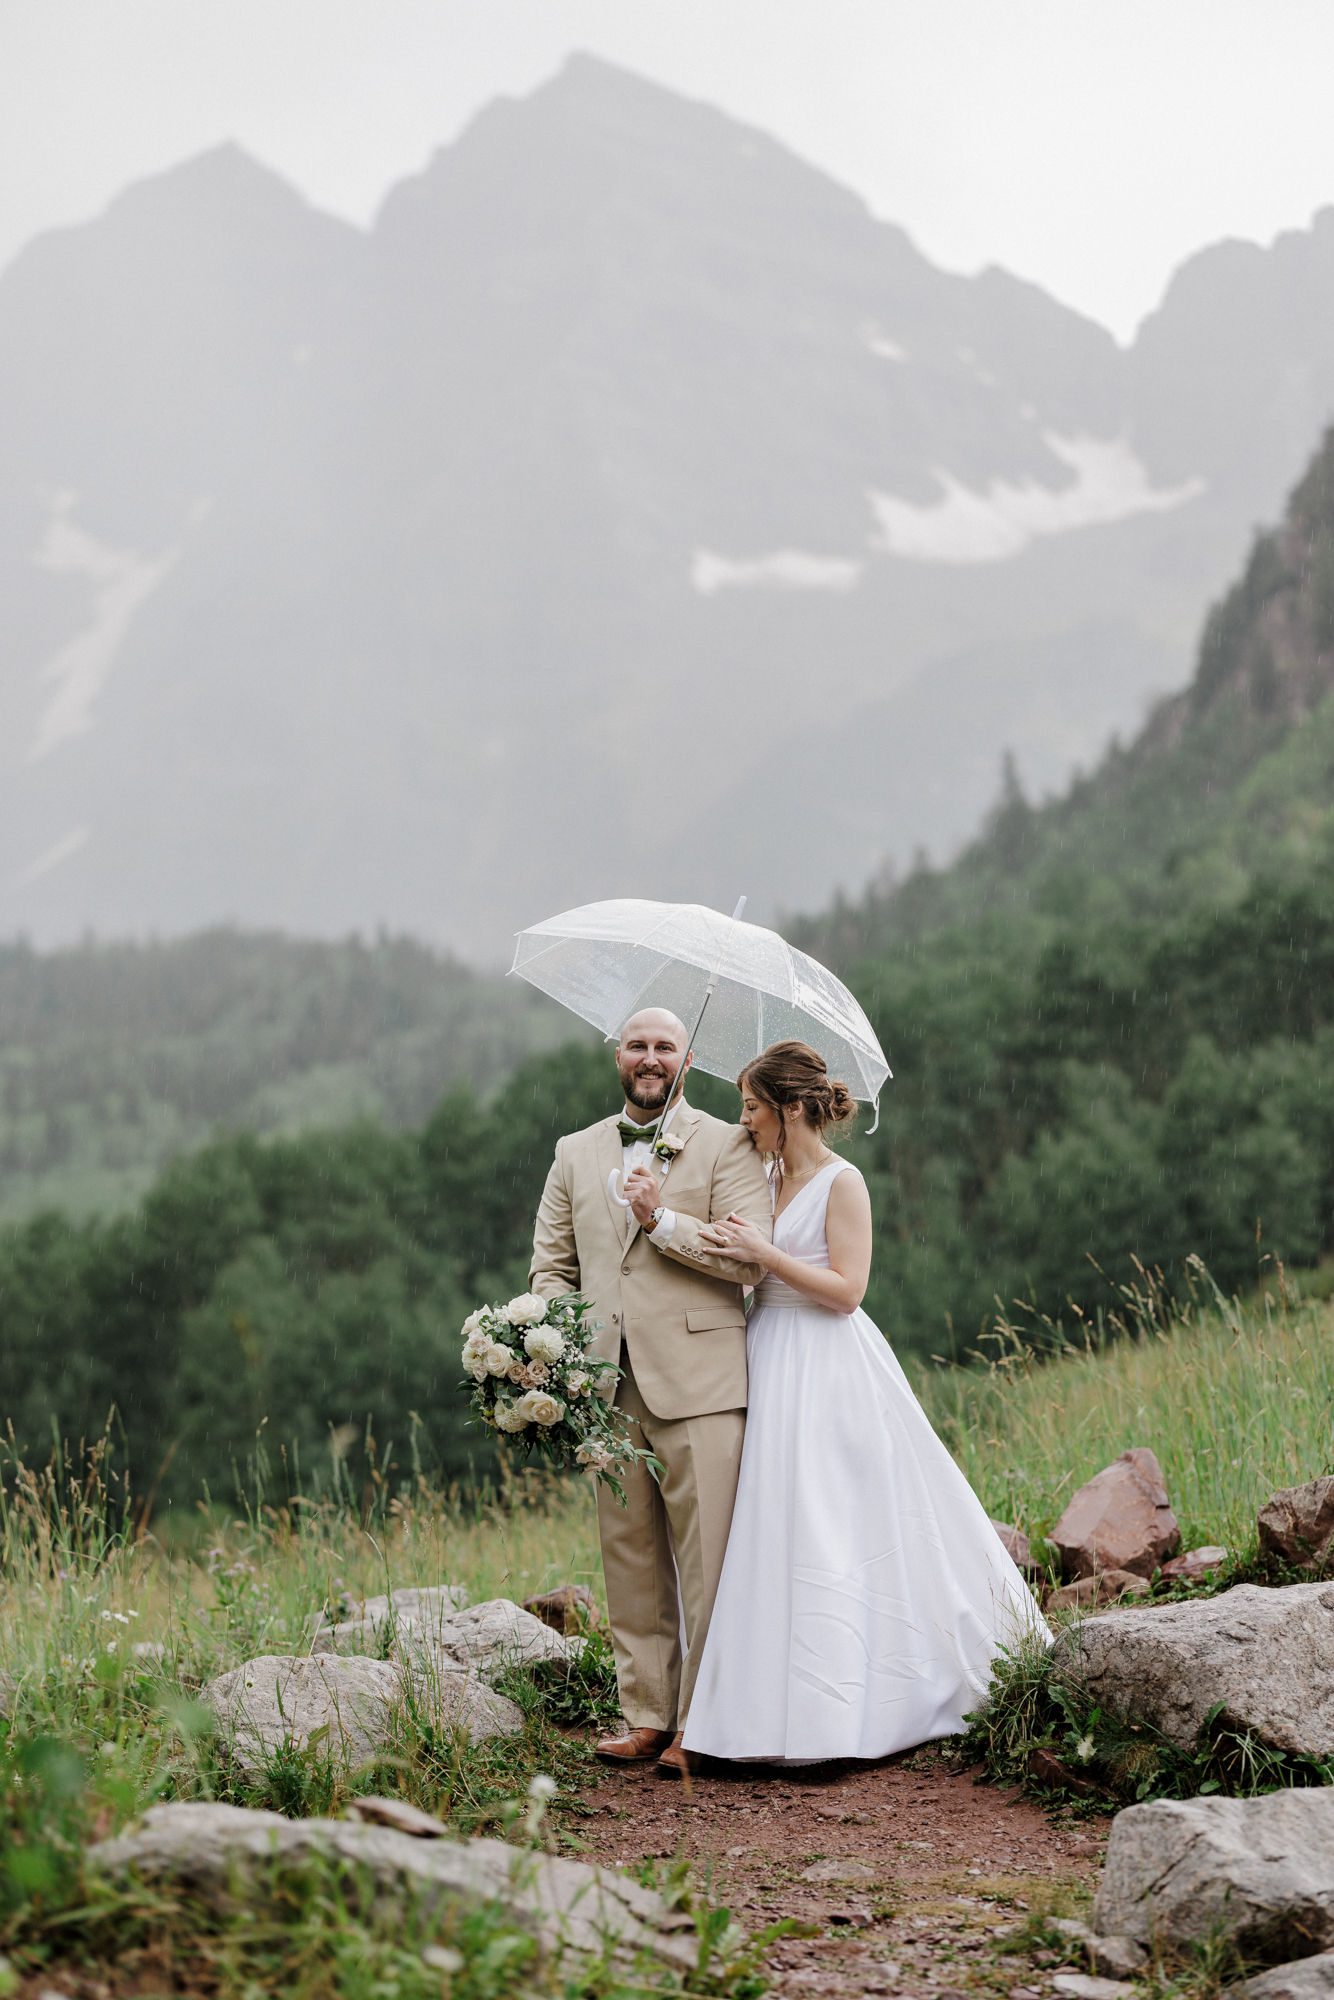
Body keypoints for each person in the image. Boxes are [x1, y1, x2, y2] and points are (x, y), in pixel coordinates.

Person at [683, 1039, 1048, 1768]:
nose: (744, 1120)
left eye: (752, 1106)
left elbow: (848, 1292)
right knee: (771, 1524)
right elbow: (750, 1266)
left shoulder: (842, 1183)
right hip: (765, 1350)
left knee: (831, 1520)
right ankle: (758, 1712)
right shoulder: (759, 1174)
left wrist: (768, 1257)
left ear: (791, 1109)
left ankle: (848, 1707)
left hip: (825, 1361)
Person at [529, 1007, 773, 1777]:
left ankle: (706, 1725)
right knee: (628, 1557)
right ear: (617, 1056)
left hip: (700, 1381)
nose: (649, 1057)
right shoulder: (574, 1152)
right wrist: (552, 1349)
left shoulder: (728, 1142)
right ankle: (645, 1715)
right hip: (603, 1383)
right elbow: (551, 1268)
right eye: (637, 1044)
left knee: (709, 1563)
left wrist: (658, 1219)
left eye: (664, 1046)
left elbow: (747, 1261)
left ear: (687, 1059)